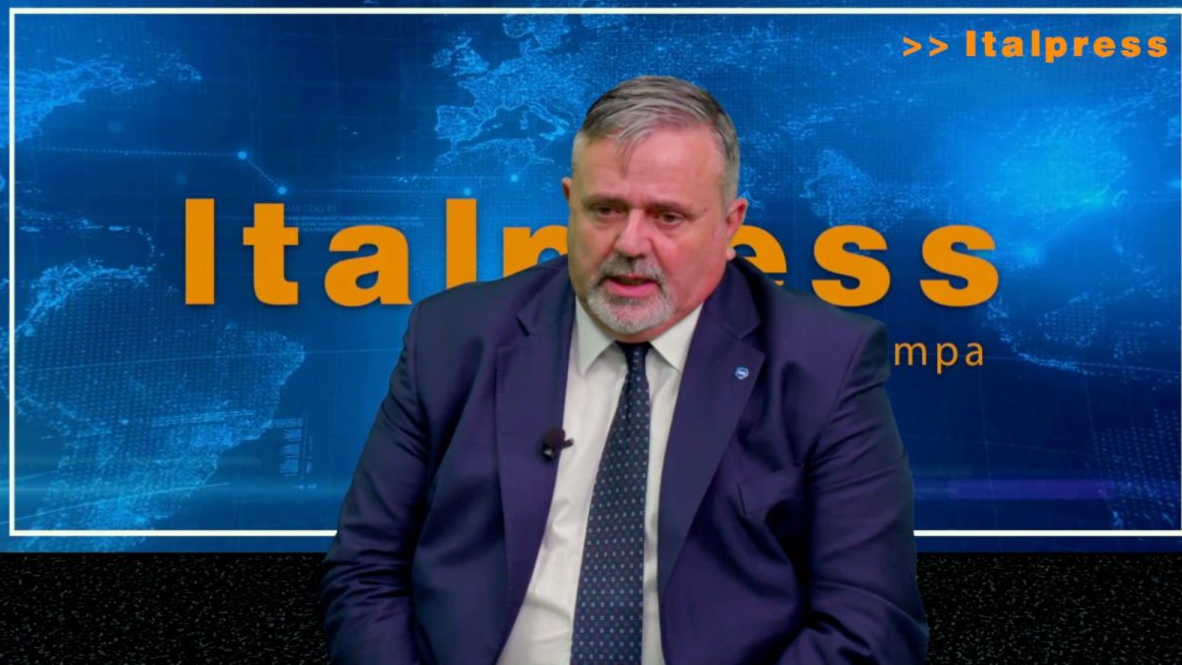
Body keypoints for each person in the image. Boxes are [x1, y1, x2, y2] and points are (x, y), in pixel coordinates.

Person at [317, 75, 929, 664]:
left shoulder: (825, 361)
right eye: (605, 210)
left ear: (730, 224)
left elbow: (870, 623)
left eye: (667, 216)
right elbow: (365, 572)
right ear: (569, 205)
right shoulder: (453, 337)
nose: (631, 243)